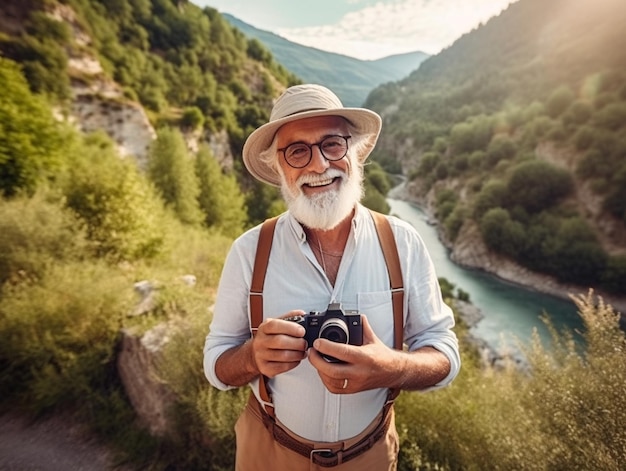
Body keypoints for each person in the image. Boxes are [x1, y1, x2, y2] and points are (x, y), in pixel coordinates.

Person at [203, 84, 460, 470]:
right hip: (269, 452)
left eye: (332, 144)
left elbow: (444, 351)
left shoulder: (402, 242)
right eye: (297, 151)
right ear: (278, 167)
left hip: (369, 455)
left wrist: (390, 368)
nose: (319, 165)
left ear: (354, 152)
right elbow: (216, 364)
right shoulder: (249, 251)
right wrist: (252, 356)